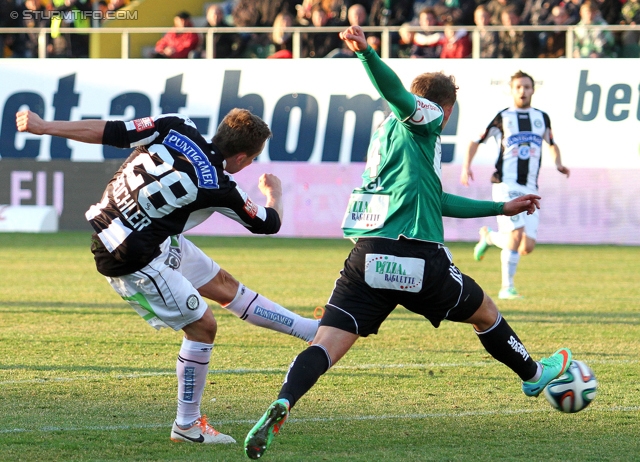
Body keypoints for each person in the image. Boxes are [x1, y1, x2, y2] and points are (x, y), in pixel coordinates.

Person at [244, 25, 572, 460]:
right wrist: (366, 53)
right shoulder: (428, 117)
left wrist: (499, 209)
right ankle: (532, 374)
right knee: (486, 313)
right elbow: (397, 94)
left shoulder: (387, 137)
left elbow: (435, 198)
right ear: (444, 108)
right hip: (418, 256)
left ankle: (285, 399)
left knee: (325, 344)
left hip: (367, 256)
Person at [15, 108, 321, 444]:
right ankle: (187, 425)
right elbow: (268, 223)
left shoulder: (177, 125)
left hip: (138, 233)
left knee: (223, 286)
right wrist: (274, 193)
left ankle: (312, 332)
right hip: (131, 256)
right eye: (250, 160)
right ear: (243, 157)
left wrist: (45, 126)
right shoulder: (219, 185)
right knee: (203, 326)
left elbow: (112, 131)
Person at [460, 70, 570, 300]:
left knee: (526, 246)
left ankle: (489, 237)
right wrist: (465, 166)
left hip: (531, 186)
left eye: (527, 87)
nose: (523, 91)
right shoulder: (502, 117)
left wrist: (558, 163)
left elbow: (552, 143)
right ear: (511, 90)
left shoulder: (541, 117)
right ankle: (506, 287)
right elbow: (475, 140)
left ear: (533, 90)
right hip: (505, 183)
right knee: (515, 235)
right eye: (518, 87)